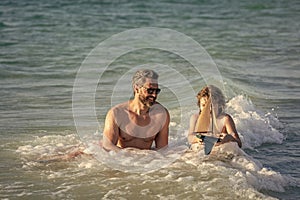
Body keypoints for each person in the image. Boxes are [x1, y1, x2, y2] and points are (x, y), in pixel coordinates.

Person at [102, 69, 170, 151]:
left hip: (149, 162)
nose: (154, 95)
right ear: (136, 88)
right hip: (122, 160)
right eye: (150, 90)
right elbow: (108, 146)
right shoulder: (117, 113)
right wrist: (134, 155)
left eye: (157, 91)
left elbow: (163, 150)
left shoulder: (161, 114)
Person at [188, 85, 242, 150]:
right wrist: (196, 139)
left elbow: (239, 143)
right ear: (199, 105)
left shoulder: (225, 119)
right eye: (203, 105)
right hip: (200, 149)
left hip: (220, 150)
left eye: (212, 105)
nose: (208, 109)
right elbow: (190, 137)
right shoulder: (195, 118)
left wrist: (228, 138)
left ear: (219, 105)